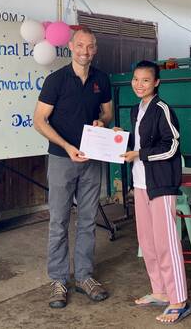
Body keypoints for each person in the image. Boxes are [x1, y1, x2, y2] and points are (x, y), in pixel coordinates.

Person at [33, 27, 113, 309]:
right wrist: (67, 146)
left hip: (92, 158)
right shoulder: (56, 80)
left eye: (90, 46)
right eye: (80, 45)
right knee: (59, 221)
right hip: (61, 158)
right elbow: (40, 120)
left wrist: (102, 122)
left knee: (88, 220)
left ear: (95, 48)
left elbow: (107, 112)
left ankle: (84, 276)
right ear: (70, 46)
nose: (85, 51)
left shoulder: (101, 79)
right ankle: (58, 279)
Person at [117, 60, 191, 324]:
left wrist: (139, 153)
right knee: (147, 242)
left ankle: (179, 299)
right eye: (136, 79)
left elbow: (171, 146)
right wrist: (122, 138)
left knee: (166, 243)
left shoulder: (162, 109)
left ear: (157, 83)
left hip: (160, 183)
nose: (139, 84)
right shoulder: (135, 109)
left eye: (146, 80)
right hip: (140, 183)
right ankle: (160, 291)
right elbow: (139, 141)